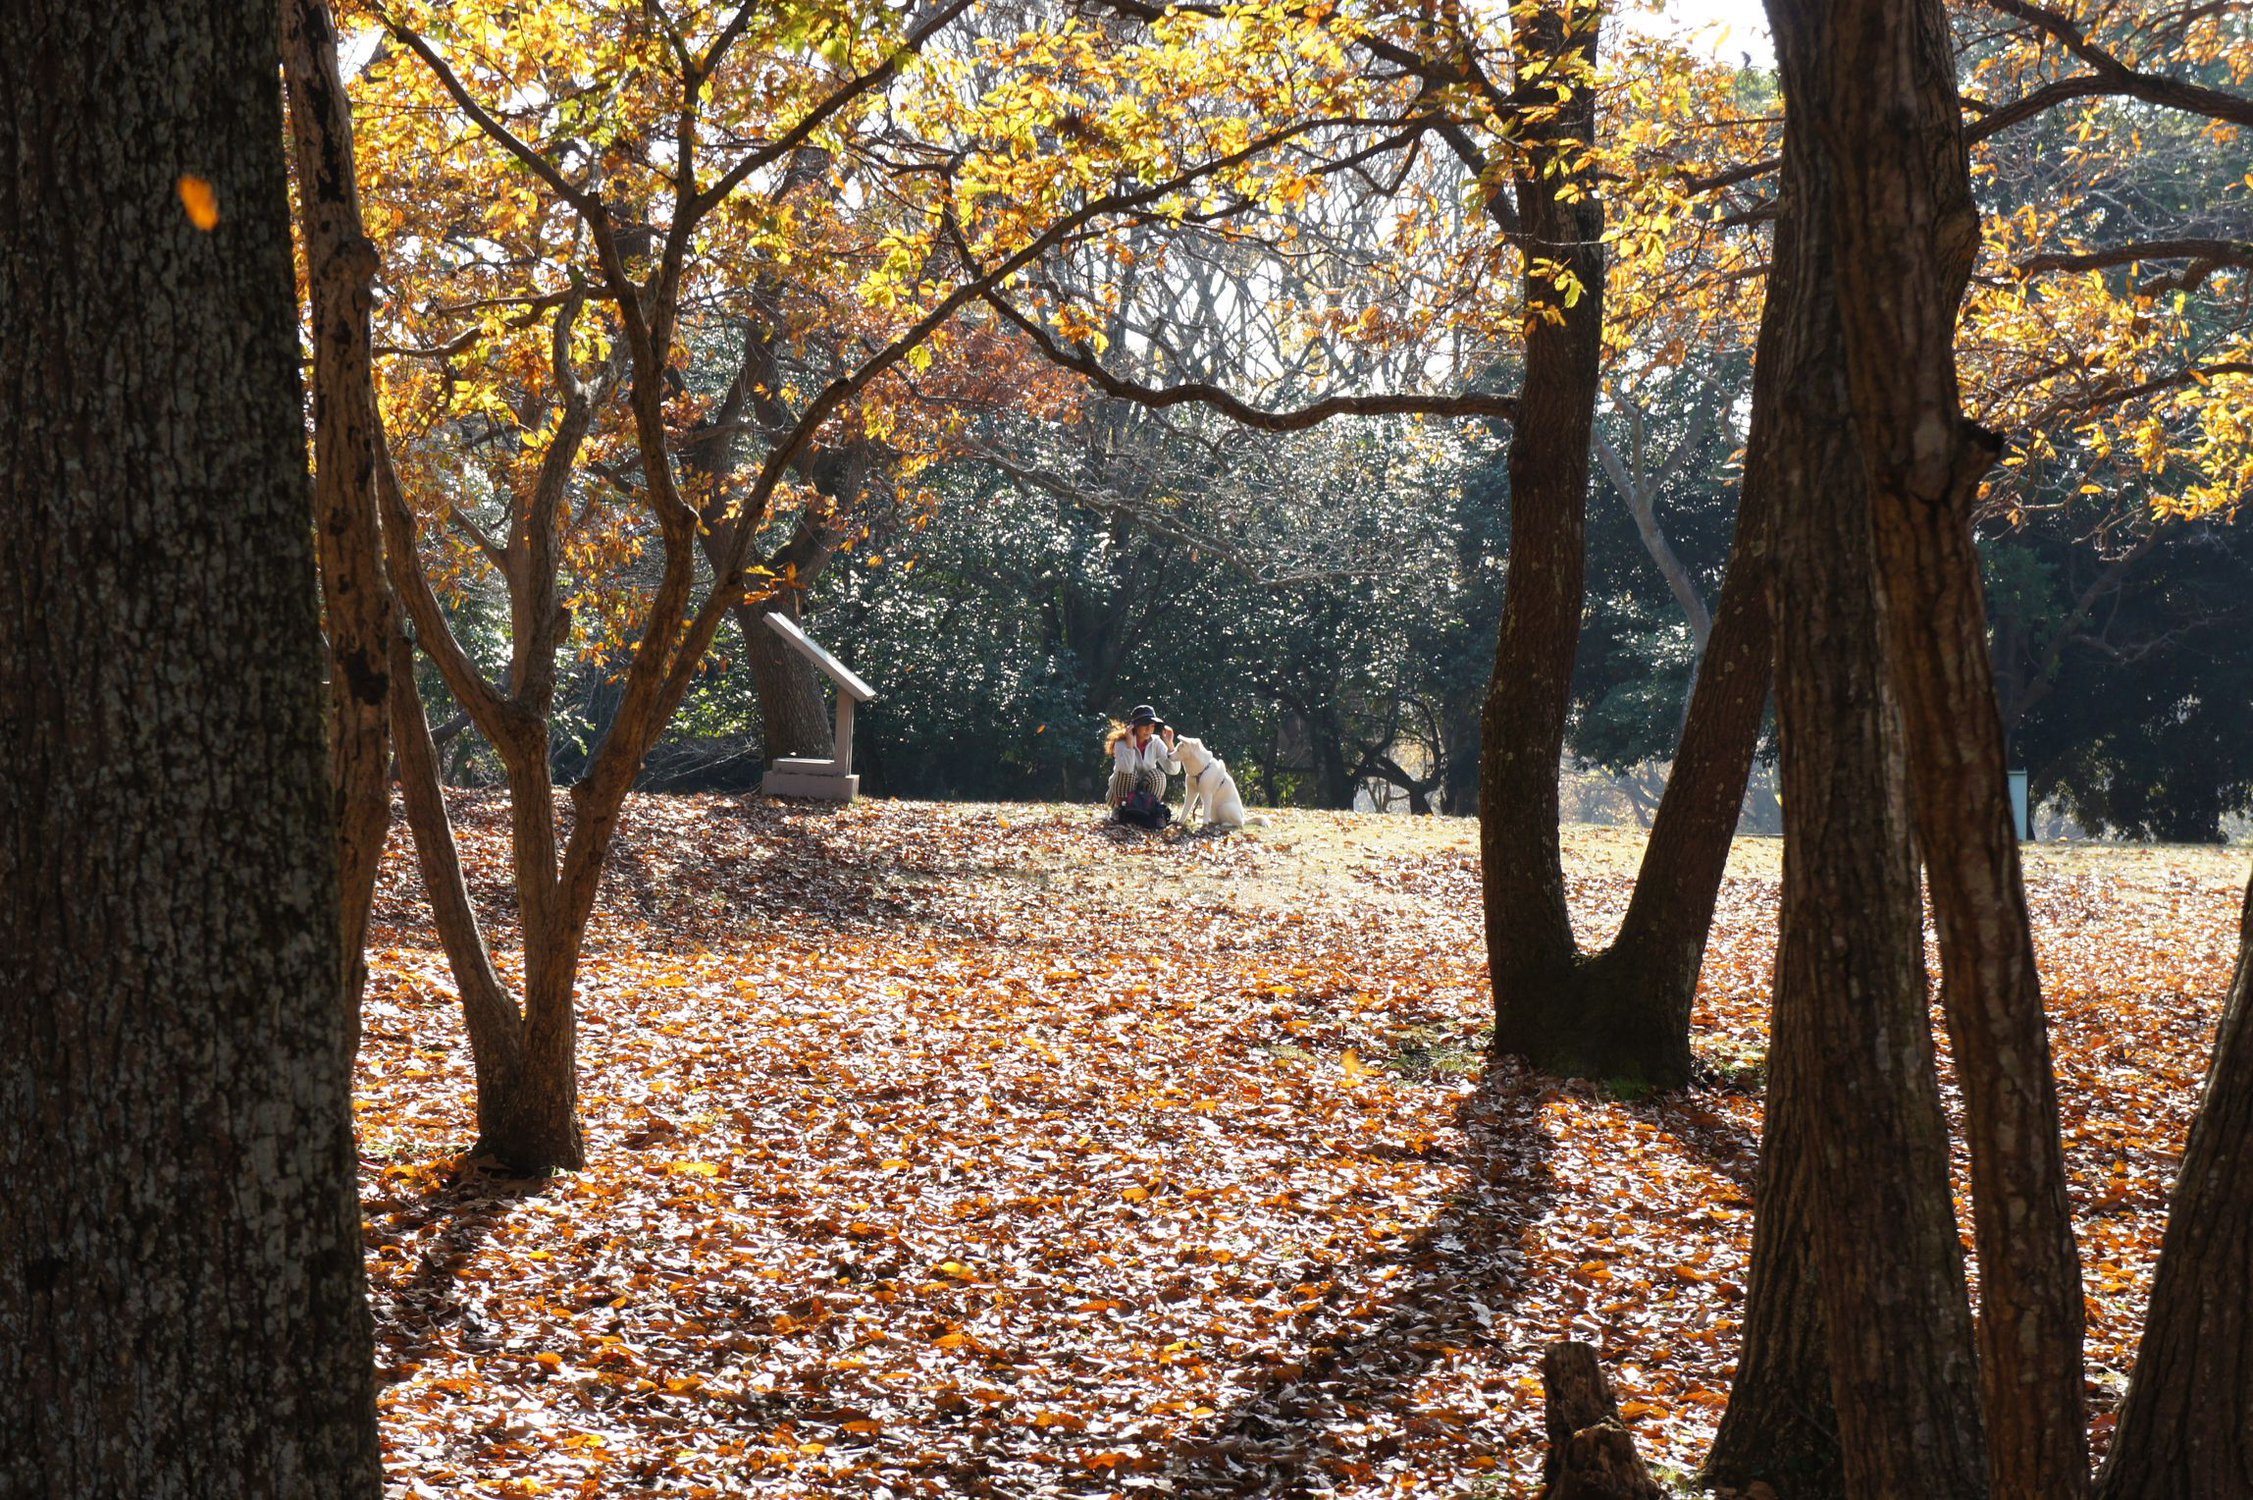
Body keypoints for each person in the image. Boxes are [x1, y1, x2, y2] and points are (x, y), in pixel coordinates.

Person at [1105, 704, 1179, 820]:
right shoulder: (1121, 743)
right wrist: (1130, 744)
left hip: (1143, 794)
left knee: (1158, 776)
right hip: (1119, 794)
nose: (1148, 729)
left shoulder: (1156, 742)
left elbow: (1173, 770)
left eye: (1152, 726)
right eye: (1145, 725)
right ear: (1134, 726)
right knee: (1129, 774)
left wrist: (1170, 744)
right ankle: (1120, 812)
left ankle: (1148, 812)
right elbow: (1126, 770)